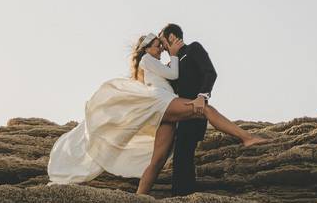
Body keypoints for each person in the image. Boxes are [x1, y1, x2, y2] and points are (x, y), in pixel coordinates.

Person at [47, 32, 267, 194]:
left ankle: (140, 197)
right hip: (161, 103)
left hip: (164, 110)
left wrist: (169, 55)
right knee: (205, 109)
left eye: (161, 47)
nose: (160, 49)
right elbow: (172, 74)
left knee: (158, 160)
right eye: (156, 46)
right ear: (146, 49)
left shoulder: (151, 62)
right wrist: (172, 53)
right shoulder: (146, 60)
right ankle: (247, 138)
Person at [158, 23, 236, 196]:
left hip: (197, 110)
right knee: (180, 156)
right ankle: (182, 197)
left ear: (171, 37)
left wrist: (202, 96)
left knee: (184, 153)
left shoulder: (193, 49)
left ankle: (183, 199)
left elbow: (210, 73)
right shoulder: (173, 63)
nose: (162, 48)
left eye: (163, 42)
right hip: (180, 115)